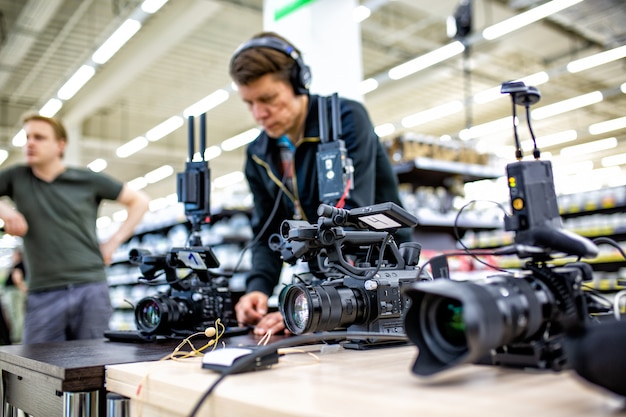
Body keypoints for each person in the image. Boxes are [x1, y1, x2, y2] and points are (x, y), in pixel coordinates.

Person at [229, 32, 410, 336]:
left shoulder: (346, 120)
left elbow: (353, 217)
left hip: (384, 268)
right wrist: (258, 288)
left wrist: (312, 302)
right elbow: (267, 231)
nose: (259, 114)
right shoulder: (259, 154)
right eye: (249, 104)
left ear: (299, 82)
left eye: (268, 99)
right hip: (328, 284)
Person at [0, 114, 150, 344]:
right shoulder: (16, 177)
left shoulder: (87, 179)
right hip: (42, 293)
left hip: (90, 288)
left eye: (39, 137)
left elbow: (139, 201)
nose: (30, 143)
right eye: (27, 137)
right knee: (37, 370)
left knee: (94, 366)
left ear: (60, 145)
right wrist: (6, 211)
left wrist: (113, 242)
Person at [3, 247, 28, 343]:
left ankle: (18, 339)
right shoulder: (20, 264)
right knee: (17, 315)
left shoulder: (19, 264)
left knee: (16, 315)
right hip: (14, 292)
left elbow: (17, 278)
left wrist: (23, 290)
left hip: (14, 292)